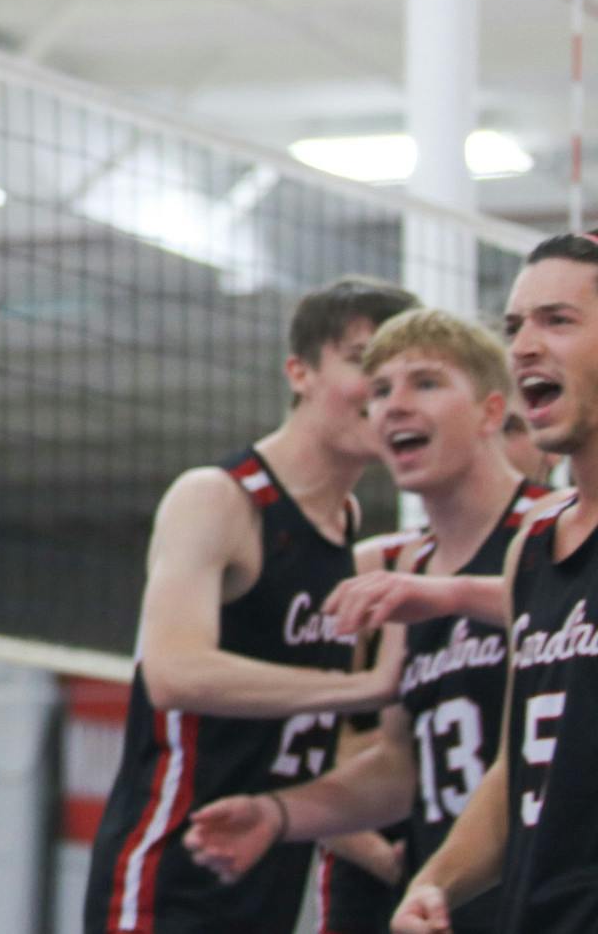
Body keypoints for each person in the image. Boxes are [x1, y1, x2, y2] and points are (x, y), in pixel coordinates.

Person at [182, 308, 554, 934]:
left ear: (492, 413)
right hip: (443, 904)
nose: (394, 406)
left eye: (426, 383)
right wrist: (280, 814)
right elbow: (401, 766)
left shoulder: (552, 530)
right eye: (380, 390)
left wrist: (453, 596)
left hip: (547, 897)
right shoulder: (411, 567)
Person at [82, 276, 420, 934]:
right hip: (167, 880)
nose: (386, 390)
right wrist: (360, 686)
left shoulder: (346, 528)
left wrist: (379, 852)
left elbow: (290, 746)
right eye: (363, 361)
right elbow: (174, 672)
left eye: (404, 374)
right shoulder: (222, 498)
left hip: (266, 880)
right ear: (300, 371)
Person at [392, 233, 598, 933]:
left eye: (558, 320)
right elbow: (517, 765)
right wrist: (434, 881)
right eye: (515, 327)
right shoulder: (534, 547)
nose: (525, 347)